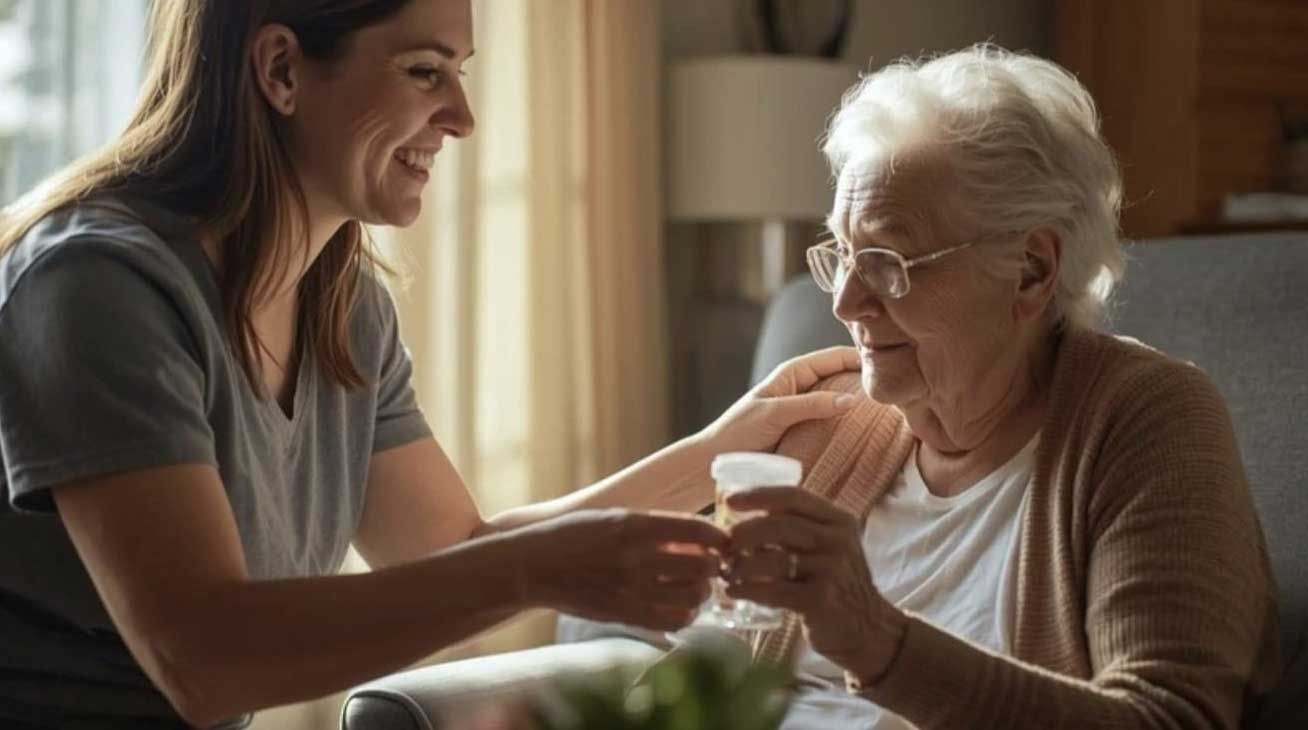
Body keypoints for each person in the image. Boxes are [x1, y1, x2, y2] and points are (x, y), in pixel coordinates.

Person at [0, 1, 858, 728]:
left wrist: (725, 446)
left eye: (462, 73)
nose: (461, 118)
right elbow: (200, 659)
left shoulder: (343, 307)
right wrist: (548, 570)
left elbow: (450, 548)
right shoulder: (95, 284)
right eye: (424, 71)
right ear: (281, 71)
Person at [716, 45, 1280, 729]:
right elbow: (718, 666)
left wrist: (876, 639)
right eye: (841, 254)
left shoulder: (1146, 422)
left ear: (1031, 271)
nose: (845, 303)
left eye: (887, 261)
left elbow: (1169, 719)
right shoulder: (840, 428)